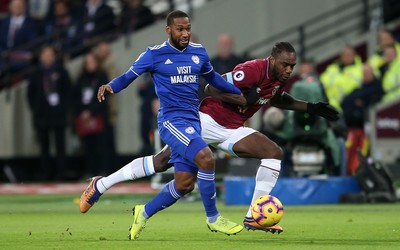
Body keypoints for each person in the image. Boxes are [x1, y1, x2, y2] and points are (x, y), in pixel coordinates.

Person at [80, 41, 339, 235]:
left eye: (292, 66)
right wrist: (240, 98)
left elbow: (277, 98)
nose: (289, 70)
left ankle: (253, 216)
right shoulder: (251, 70)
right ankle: (102, 184)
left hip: (232, 129)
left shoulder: (278, 79)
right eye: (285, 64)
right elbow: (211, 87)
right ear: (272, 60)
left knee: (273, 153)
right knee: (164, 165)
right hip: (206, 121)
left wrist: (311, 107)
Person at [80, 10, 244, 239]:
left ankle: (142, 212)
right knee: (206, 158)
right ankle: (214, 218)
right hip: (171, 121)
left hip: (192, 122)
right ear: (168, 30)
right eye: (180, 29)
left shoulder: (199, 52)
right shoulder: (154, 55)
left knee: (184, 184)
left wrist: (240, 93)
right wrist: (111, 86)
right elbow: (129, 76)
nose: (185, 33)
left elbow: (214, 78)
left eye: (187, 28)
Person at [27, 45, 71, 180]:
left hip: (58, 115)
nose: (48, 57)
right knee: (44, 146)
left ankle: (61, 173)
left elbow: (68, 91)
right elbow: (30, 94)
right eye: (45, 54)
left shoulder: (61, 71)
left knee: (60, 146)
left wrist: (63, 109)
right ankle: (46, 173)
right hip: (42, 115)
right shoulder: (35, 73)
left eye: (50, 54)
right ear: (41, 57)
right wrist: (36, 108)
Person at [72, 53, 110, 177]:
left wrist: (91, 112)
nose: (90, 65)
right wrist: (83, 112)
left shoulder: (101, 76)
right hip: (84, 118)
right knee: (88, 146)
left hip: (98, 116)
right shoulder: (81, 79)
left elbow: (105, 96)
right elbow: (75, 98)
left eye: (92, 62)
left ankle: (102, 172)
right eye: (87, 63)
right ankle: (90, 172)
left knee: (101, 145)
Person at [341, 64, 384, 175]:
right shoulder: (359, 89)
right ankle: (351, 172)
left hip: (366, 130)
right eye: (364, 73)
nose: (366, 75)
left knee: (363, 155)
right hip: (352, 129)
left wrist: (360, 104)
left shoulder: (377, 88)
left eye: (368, 73)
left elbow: (371, 104)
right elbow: (345, 101)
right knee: (350, 154)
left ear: (373, 73)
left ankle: (362, 173)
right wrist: (358, 103)